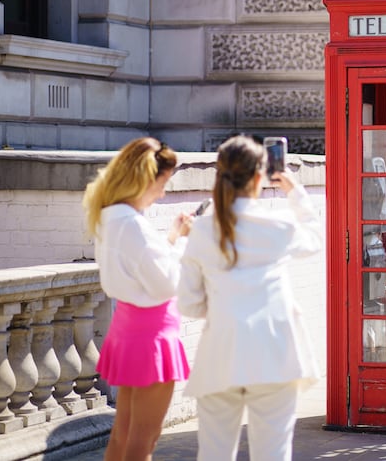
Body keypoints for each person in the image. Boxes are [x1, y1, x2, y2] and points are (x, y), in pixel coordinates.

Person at [178, 135, 322, 461]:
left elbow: (188, 303)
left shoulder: (202, 229)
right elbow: (314, 239)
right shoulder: (279, 223)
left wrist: (223, 308)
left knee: (214, 454)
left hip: (220, 352)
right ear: (260, 177)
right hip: (274, 354)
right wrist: (294, 191)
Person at [82, 138, 192, 461]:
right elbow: (168, 284)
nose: (163, 193)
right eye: (163, 183)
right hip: (152, 340)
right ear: (144, 179)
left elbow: (141, 271)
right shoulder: (133, 226)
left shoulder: (109, 217)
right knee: (144, 442)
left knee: (123, 436)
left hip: (129, 333)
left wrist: (171, 237)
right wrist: (184, 244)